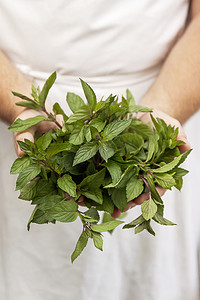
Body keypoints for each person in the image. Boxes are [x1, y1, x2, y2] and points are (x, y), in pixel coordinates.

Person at [0, 1, 199, 299]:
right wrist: (17, 105)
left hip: (163, 94)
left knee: (147, 282)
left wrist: (162, 108)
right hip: (20, 114)